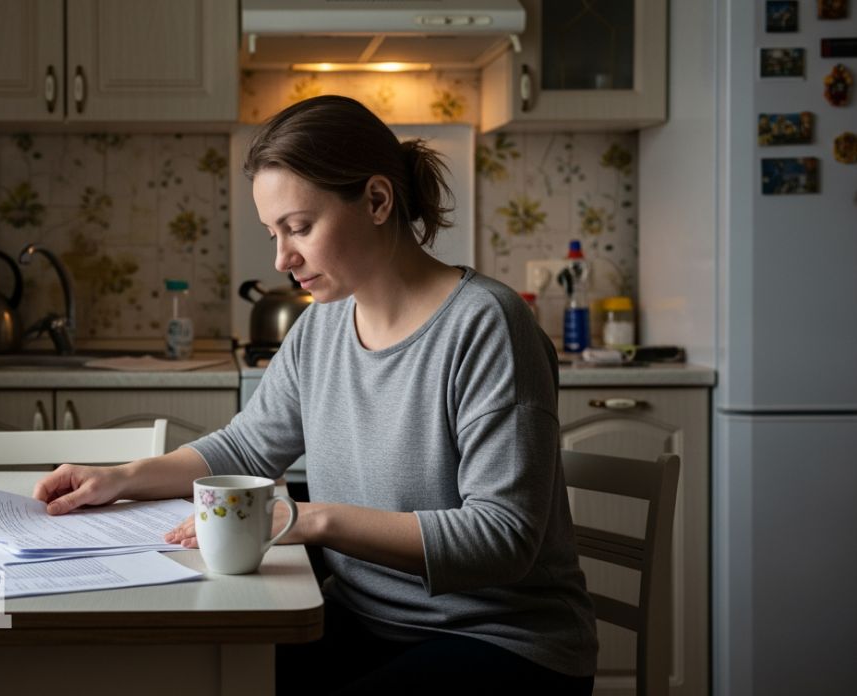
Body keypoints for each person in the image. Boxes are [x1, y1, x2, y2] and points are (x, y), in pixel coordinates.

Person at [33, 95, 597, 694]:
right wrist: (120, 478)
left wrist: (308, 519)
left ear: (376, 201)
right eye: (273, 233)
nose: (283, 257)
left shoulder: (487, 326)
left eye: (299, 227)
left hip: (499, 639)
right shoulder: (321, 326)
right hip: (363, 621)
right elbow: (247, 448)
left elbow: (501, 537)